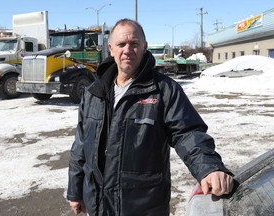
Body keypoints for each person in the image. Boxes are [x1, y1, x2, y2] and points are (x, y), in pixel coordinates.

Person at [67, 18, 233, 216]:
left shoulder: (164, 90)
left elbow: (187, 133)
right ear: (111, 48)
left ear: (144, 47)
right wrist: (75, 191)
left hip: (142, 207)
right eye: (121, 44)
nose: (127, 50)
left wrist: (209, 168)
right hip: (98, 205)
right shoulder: (93, 92)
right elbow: (80, 146)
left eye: (134, 44)